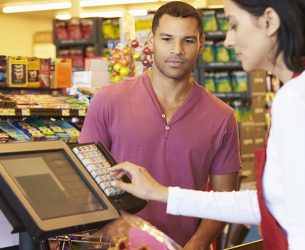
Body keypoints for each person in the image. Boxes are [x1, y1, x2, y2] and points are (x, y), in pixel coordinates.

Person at [108, 0, 305, 249]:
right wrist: (160, 192)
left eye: (234, 25)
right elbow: (273, 202)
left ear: (270, 21)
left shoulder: (299, 97)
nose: (228, 41)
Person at [79, 1, 241, 248]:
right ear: (150, 40)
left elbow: (224, 201)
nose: (177, 50)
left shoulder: (222, 116)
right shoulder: (108, 101)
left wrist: (195, 245)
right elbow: (86, 184)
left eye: (188, 40)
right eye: (167, 39)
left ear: (201, 44)